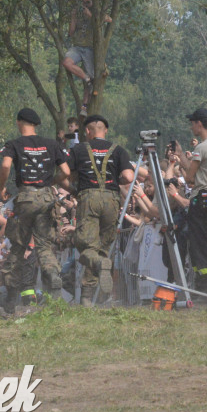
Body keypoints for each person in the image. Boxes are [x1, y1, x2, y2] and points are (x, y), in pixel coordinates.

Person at [0, 107, 70, 308]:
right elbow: (65, 170)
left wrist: (3, 186)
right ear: (36, 125)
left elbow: (5, 166)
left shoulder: (14, 144)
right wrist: (50, 182)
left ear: (19, 122)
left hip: (25, 199)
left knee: (19, 247)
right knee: (45, 246)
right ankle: (54, 276)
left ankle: (11, 297)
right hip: (47, 199)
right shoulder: (51, 144)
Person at [67, 114, 134, 306]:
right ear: (105, 130)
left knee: (86, 246)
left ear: (87, 131)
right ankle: (89, 297)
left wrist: (73, 189)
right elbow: (129, 176)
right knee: (103, 248)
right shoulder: (118, 149)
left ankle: (89, 290)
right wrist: (117, 181)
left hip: (88, 197)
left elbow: (65, 173)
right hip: (112, 199)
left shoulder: (78, 149)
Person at [170, 108, 207, 293]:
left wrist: (185, 166)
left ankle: (203, 289)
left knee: (198, 247)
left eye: (192, 123)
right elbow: (196, 172)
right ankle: (206, 287)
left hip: (200, 200)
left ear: (199, 124)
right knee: (205, 244)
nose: (191, 126)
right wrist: (182, 156)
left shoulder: (201, 148)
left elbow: (191, 178)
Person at [61, 0, 111, 114]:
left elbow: (109, 19)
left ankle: (85, 106)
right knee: (66, 63)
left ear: (93, 2)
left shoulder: (98, 13)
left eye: (88, 2)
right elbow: (71, 32)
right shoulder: (79, 14)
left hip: (90, 48)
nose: (85, 5)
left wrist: (91, 16)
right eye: (83, 3)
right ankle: (86, 78)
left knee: (94, 78)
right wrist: (73, 17)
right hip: (77, 47)